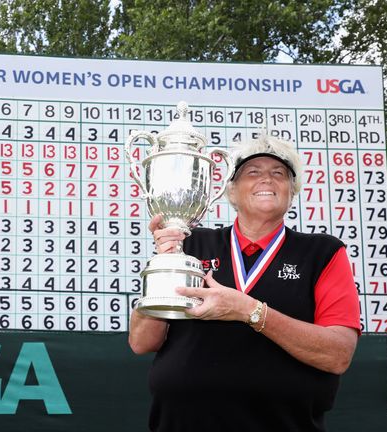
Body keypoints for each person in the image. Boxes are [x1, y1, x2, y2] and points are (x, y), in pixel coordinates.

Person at [128, 134, 361, 432]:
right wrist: (163, 265)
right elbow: (141, 342)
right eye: (253, 172)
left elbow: (337, 354)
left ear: (292, 191)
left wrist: (252, 312)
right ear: (231, 191)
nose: (267, 179)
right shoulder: (191, 244)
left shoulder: (322, 252)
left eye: (279, 173)